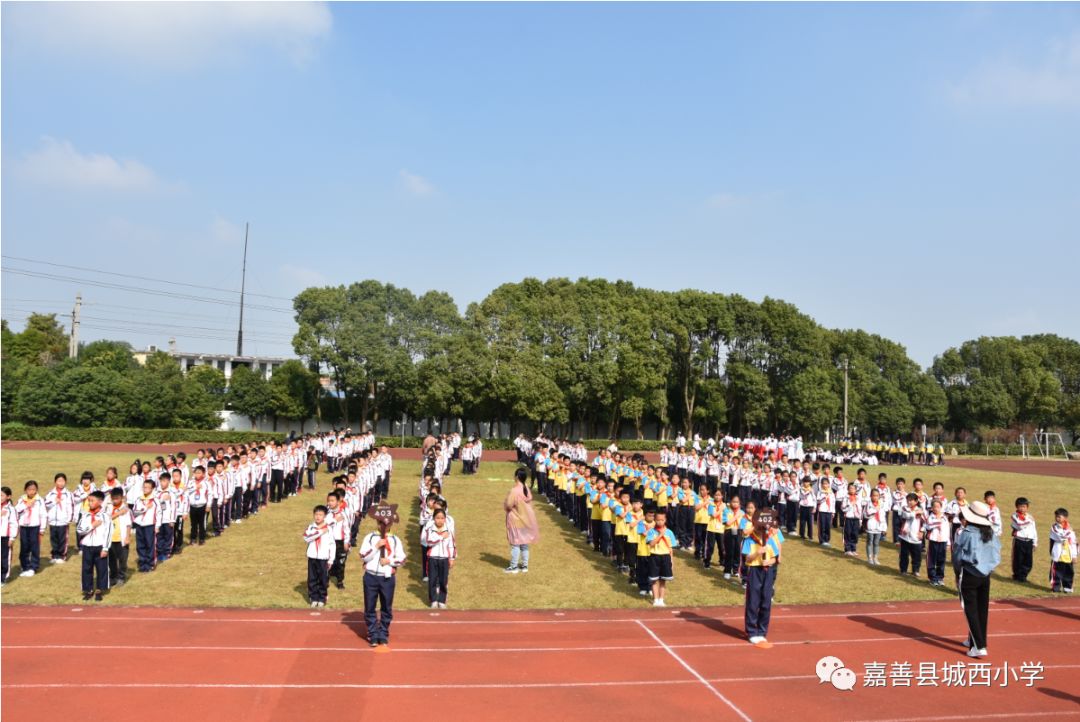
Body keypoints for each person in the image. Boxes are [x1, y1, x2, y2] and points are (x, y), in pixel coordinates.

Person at [953, 500, 1001, 658]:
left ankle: (979, 646)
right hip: (985, 575)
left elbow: (958, 556)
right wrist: (988, 567)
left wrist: (957, 572)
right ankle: (973, 640)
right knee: (982, 609)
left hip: (969, 574)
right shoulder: (991, 532)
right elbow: (996, 555)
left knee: (970, 610)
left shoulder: (967, 533)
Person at [358, 517, 407, 647]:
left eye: (387, 523)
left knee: (386, 607)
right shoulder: (370, 537)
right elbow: (363, 555)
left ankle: (383, 633)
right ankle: (373, 633)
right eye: (381, 523)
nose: (384, 526)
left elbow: (402, 559)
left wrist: (389, 562)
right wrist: (376, 547)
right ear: (377, 523)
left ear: (391, 523)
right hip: (371, 576)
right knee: (370, 606)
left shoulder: (395, 540)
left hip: (387, 578)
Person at [743, 508, 782, 648]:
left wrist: (769, 561)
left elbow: (775, 558)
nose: (762, 530)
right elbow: (747, 558)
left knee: (766, 601)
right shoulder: (749, 540)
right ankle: (752, 632)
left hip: (768, 571)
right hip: (754, 570)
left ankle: (762, 631)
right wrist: (757, 554)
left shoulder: (769, 540)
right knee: (753, 601)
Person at [76, 490, 112, 602]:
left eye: (92, 500)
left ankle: (99, 590)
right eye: (89, 500)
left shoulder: (105, 516)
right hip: (87, 546)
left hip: (100, 546)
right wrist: (92, 526)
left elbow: (108, 532)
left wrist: (105, 548)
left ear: (100, 501)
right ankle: (88, 590)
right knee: (86, 569)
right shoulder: (85, 514)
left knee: (101, 569)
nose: (90, 503)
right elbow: (80, 530)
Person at [504, 468, 539, 574]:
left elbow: (509, 504)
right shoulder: (526, 488)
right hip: (525, 519)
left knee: (515, 543)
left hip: (516, 518)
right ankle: (524, 565)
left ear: (517, 477)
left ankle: (514, 566)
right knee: (524, 543)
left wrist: (507, 506)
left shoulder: (515, 490)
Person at [424, 507, 456, 608]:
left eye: (442, 518)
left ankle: (442, 600)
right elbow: (429, 541)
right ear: (434, 519)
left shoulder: (448, 531)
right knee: (432, 579)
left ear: (445, 519)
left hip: (444, 559)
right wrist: (441, 537)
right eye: (437, 518)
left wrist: (451, 558)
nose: (440, 520)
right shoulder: (430, 530)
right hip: (432, 558)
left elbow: (451, 545)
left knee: (443, 580)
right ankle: (433, 600)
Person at [646, 509, 678, 606]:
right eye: (658, 520)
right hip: (654, 556)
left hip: (665, 557)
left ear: (665, 520)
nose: (660, 522)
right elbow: (651, 544)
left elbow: (670, 548)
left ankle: (661, 599)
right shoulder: (651, 531)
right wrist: (660, 534)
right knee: (654, 579)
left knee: (663, 580)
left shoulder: (670, 532)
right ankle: (655, 599)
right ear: (655, 520)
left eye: (662, 520)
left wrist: (671, 560)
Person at [15, 480, 47, 577]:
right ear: (25, 490)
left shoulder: (39, 500)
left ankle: (33, 567)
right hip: (24, 526)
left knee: (34, 547)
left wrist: (42, 528)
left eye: (33, 489)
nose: (31, 491)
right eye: (29, 489)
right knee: (24, 546)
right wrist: (25, 506)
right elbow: (15, 510)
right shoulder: (22, 499)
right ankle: (25, 566)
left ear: (36, 490)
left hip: (34, 527)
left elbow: (43, 515)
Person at [303, 505, 333, 607]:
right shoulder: (311, 527)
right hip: (312, 557)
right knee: (312, 578)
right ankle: (313, 597)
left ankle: (322, 597)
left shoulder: (328, 528)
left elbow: (332, 544)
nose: (318, 517)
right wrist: (319, 531)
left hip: (323, 558)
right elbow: (306, 537)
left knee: (323, 578)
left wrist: (331, 559)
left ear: (325, 516)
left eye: (320, 515)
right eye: (316, 514)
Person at [44, 473, 75, 564]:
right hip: (53, 521)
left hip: (63, 521)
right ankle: (54, 555)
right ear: (55, 482)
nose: (61, 483)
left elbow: (71, 507)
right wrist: (54, 501)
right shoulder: (51, 493)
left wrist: (69, 519)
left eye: (62, 481)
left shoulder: (68, 494)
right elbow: (45, 503)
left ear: (65, 482)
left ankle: (62, 556)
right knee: (53, 539)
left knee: (62, 539)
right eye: (59, 481)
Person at [106, 488, 131, 588]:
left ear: (122, 498)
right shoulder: (108, 508)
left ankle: (121, 577)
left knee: (122, 559)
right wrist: (118, 513)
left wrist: (127, 537)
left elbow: (128, 525)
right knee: (111, 559)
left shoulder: (125, 510)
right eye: (113, 499)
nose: (115, 501)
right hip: (111, 539)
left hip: (121, 539)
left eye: (117, 498)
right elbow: (106, 518)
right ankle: (113, 577)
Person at [1010, 497, 1037, 582]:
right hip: (1019, 540)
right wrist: (1029, 521)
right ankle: (1017, 575)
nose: (1022, 508)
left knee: (1028, 561)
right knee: (1018, 559)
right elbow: (1020, 525)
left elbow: (1034, 530)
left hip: (1029, 541)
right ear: (1017, 507)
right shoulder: (1015, 516)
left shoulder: (1030, 517)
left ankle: (1023, 576)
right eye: (1020, 506)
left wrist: (1035, 542)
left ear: (1027, 507)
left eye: (1024, 506)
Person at [1048, 508, 1075, 594]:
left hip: (1068, 554)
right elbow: (1060, 537)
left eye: (1059, 517)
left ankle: (1068, 587)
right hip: (1058, 554)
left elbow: (1074, 542)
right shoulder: (1054, 527)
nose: (1057, 518)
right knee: (1056, 571)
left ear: (1065, 518)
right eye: (1056, 516)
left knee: (1069, 572)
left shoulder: (1069, 529)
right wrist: (1069, 531)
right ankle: (1055, 587)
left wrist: (1074, 555)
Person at [1, 487, 15, 585]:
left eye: (1, 495)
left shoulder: (11, 509)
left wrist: (12, 537)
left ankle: (3, 578)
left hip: (5, 537)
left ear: (8, 496)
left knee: (4, 557)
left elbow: (14, 524)